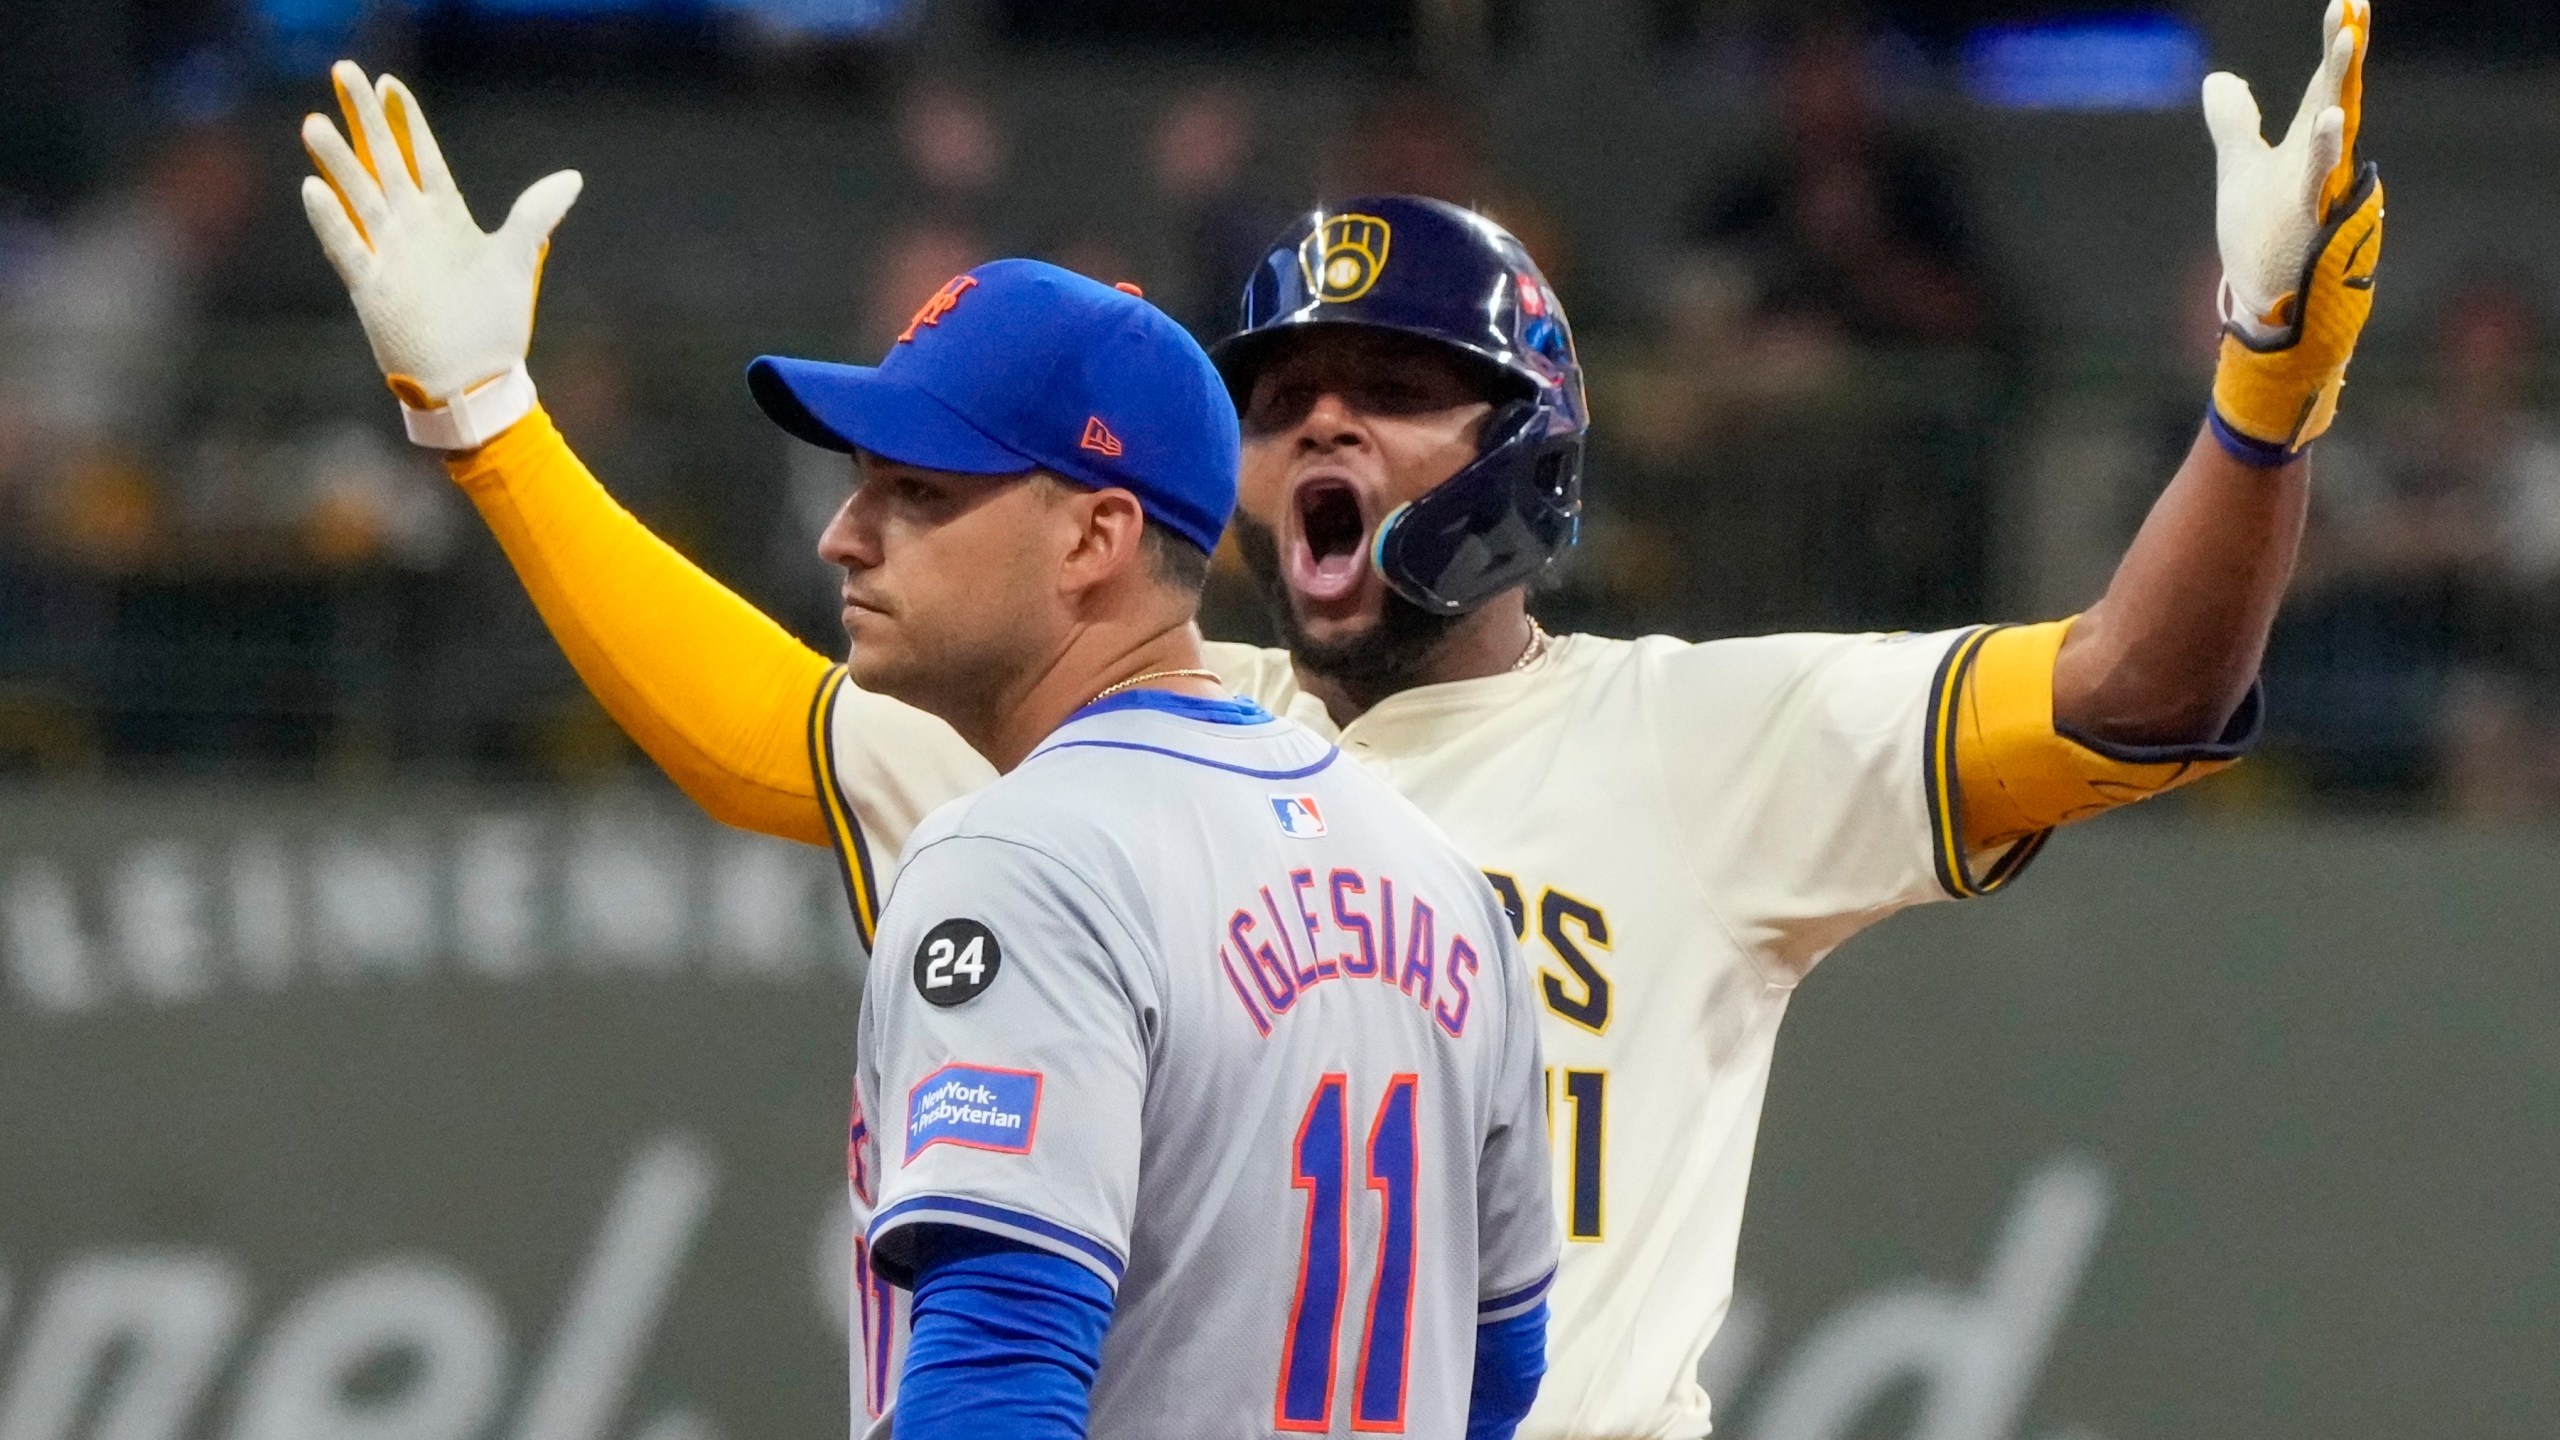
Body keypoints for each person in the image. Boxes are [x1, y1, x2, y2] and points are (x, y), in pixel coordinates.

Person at [297, 0, 2385, 1431]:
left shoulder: (1686, 742)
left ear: (1525, 452)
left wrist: (2263, 387)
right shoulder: (1130, 737)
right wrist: (494, 434)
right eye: (1284, 388)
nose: (1320, 420)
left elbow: (2138, 688)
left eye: (1385, 389)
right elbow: (773, 730)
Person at [299, 66, 1559, 1440]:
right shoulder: (1440, 885)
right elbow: (1496, 1373)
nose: (849, 535)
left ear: (1095, 539)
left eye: (920, 492)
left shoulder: (1023, 851)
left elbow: (998, 1382)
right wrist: (491, 426)